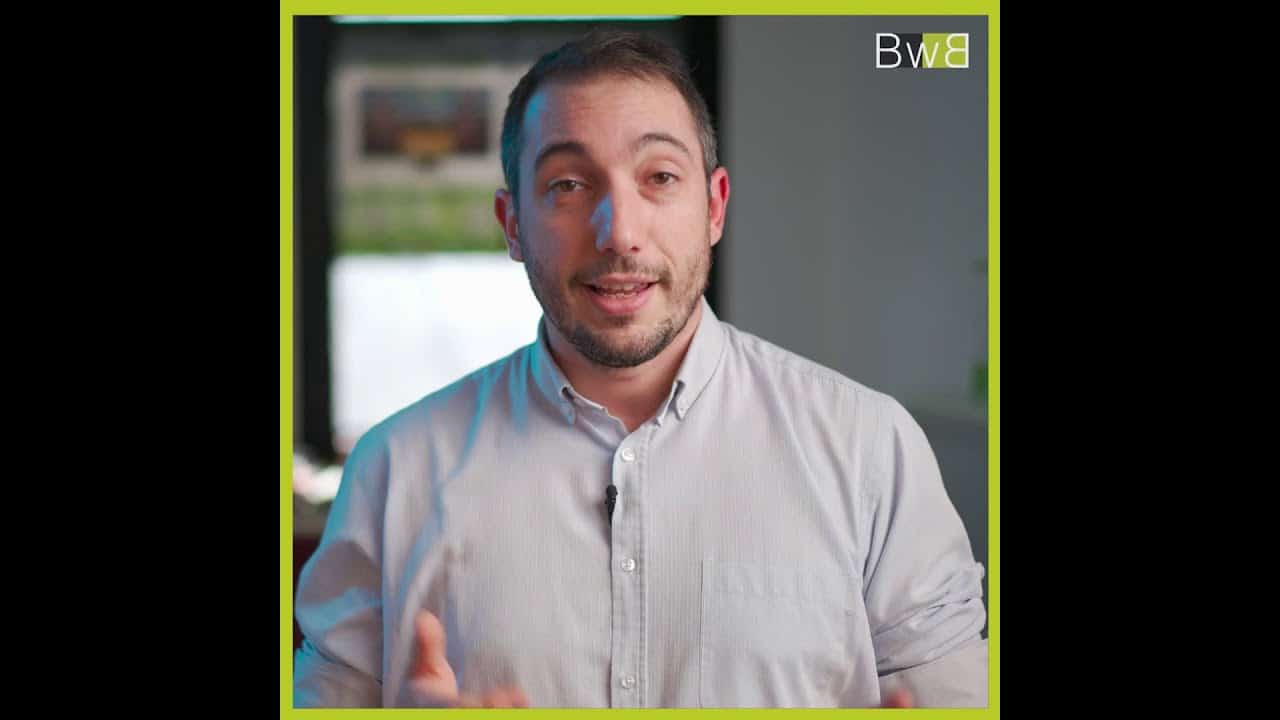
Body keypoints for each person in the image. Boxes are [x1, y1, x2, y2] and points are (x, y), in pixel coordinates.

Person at [293, 28, 987, 709]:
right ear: (512, 223)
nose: (619, 232)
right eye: (568, 184)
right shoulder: (394, 472)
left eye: (659, 177)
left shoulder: (869, 449)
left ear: (714, 206)